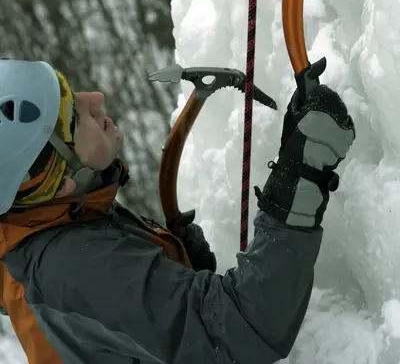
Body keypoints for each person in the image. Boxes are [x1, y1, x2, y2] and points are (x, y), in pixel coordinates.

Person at [0, 57, 355, 364]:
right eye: (75, 117)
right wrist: (301, 181)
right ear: (56, 178)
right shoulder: (74, 267)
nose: (95, 98)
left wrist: (174, 268)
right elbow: (240, 335)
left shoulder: (35, 227)